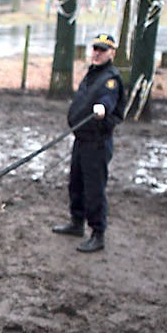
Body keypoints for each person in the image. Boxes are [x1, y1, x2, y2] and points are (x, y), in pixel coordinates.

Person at [52, 33, 125, 253]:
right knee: (76, 182)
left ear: (111, 53)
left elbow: (108, 99)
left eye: (102, 50)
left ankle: (98, 233)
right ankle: (76, 222)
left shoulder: (111, 78)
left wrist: (103, 108)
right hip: (81, 140)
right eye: (95, 49)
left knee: (94, 188)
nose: (96, 53)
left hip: (97, 143)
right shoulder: (93, 74)